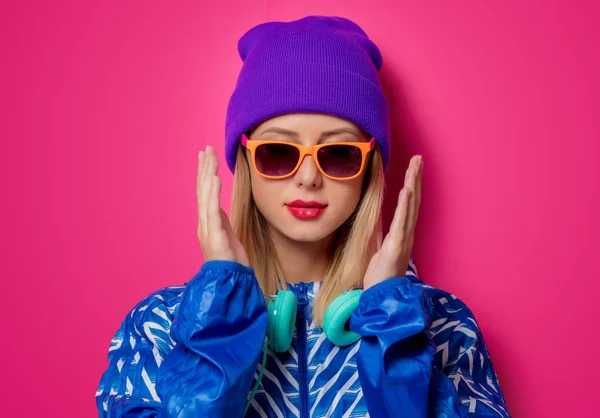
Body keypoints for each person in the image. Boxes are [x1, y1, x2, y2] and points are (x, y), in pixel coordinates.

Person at [95, 15, 511, 418]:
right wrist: (219, 324)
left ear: (369, 169)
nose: (309, 178)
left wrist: (391, 324)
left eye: (339, 154)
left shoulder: (440, 325)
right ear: (245, 162)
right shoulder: (160, 327)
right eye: (278, 152)